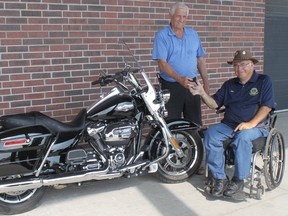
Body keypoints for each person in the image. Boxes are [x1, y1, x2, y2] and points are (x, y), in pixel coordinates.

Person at [189, 50, 275, 198]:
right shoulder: (229, 84)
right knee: (210, 134)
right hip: (229, 124)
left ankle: (238, 179)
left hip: (256, 126)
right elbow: (214, 104)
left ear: (252, 65)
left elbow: (266, 107)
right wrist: (202, 93)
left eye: (243, 64)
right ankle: (219, 178)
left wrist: (250, 123)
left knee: (242, 137)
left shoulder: (263, 81)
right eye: (235, 65)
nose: (239, 68)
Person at [152, 2, 209, 126]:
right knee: (171, 124)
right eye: (178, 16)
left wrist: (205, 84)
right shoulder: (162, 36)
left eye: (184, 17)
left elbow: (200, 60)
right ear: (170, 15)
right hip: (170, 86)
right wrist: (180, 79)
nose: (181, 19)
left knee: (195, 123)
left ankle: (194, 145)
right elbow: (162, 63)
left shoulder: (193, 34)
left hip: (192, 85)